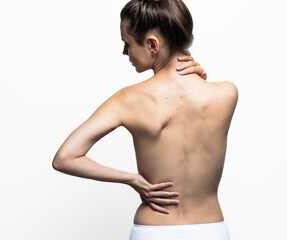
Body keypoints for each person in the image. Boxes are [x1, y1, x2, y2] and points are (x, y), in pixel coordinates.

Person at [53, 0, 238, 239]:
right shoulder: (227, 93)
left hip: (154, 230)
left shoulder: (128, 99)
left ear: (152, 44)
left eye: (126, 43)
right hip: (210, 230)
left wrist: (132, 179)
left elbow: (64, 158)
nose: (124, 52)